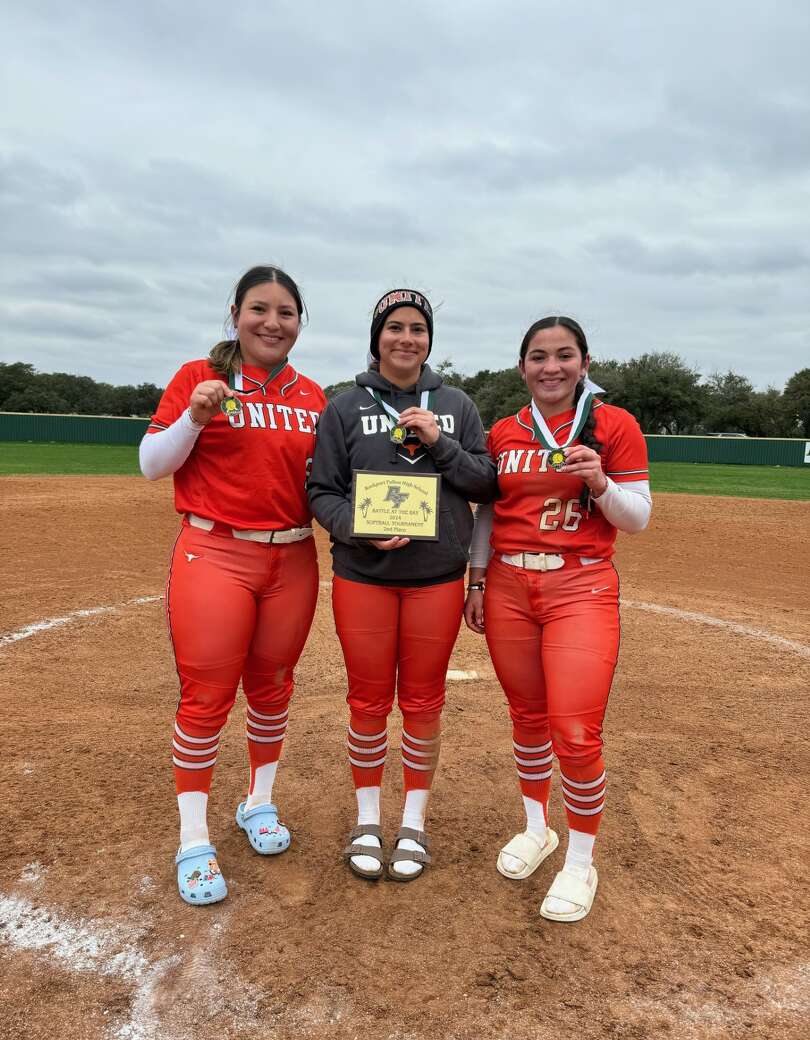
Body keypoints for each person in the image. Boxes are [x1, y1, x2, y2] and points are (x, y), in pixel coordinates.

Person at [139, 265, 326, 906]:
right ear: (236, 314)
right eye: (260, 309)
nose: (273, 323)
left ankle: (259, 801)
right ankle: (194, 839)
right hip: (215, 551)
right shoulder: (201, 378)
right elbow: (150, 463)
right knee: (207, 696)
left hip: (293, 558)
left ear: (300, 323)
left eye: (286, 313)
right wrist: (193, 417)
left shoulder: (314, 397)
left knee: (272, 687)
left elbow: (329, 487)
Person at [464, 315, 651, 922]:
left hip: (581, 585)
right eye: (539, 357)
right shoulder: (504, 432)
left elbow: (637, 517)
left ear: (584, 362)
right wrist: (478, 576)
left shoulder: (614, 426)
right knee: (527, 716)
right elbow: (490, 513)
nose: (551, 367)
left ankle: (580, 859)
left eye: (564, 355)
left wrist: (600, 482)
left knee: (574, 730)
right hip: (511, 585)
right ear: (522, 368)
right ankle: (537, 826)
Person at [307, 289, 498, 882]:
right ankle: (368, 817)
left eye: (418, 328)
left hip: (436, 578)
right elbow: (322, 493)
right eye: (395, 328)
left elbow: (485, 482)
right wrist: (357, 532)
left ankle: (412, 821)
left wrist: (440, 442)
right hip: (364, 576)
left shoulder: (457, 404)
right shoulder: (344, 406)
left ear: (429, 340)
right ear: (377, 337)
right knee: (366, 702)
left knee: (421, 703)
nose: (406, 338)